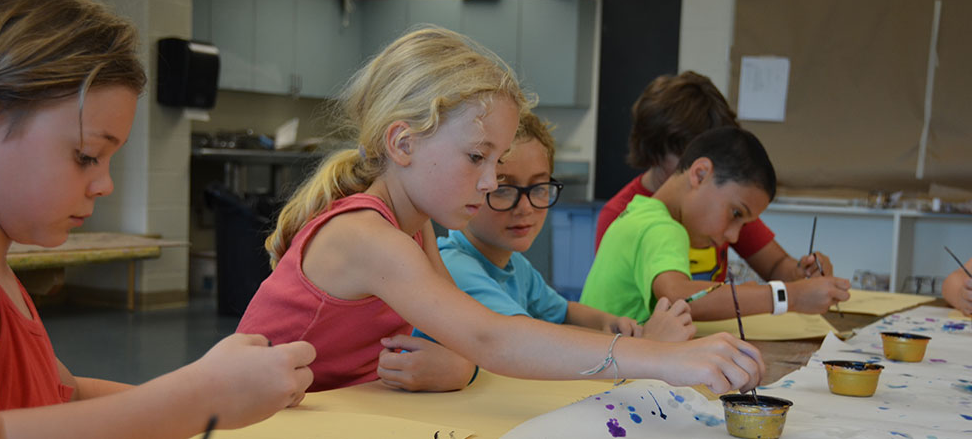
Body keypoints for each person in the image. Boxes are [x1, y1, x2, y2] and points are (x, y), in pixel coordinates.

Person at [237, 27, 764, 397]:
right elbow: (493, 338)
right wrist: (665, 358)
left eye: (496, 160)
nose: (490, 181)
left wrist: (462, 367)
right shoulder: (366, 236)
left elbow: (467, 340)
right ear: (403, 143)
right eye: (476, 157)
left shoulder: (412, 230)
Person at [0, 0, 315, 437]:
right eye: (86, 155)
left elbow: (65, 395)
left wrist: (222, 392)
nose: (105, 184)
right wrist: (199, 400)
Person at [381, 112, 695, 392]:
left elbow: (564, 312)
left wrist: (610, 322)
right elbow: (523, 347)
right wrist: (649, 349)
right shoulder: (456, 266)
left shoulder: (515, 264)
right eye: (504, 189)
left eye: (539, 188)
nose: (526, 207)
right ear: (477, 186)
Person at [581, 127, 851, 322]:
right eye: (735, 213)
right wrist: (788, 297)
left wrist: (799, 278)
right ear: (700, 174)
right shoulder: (660, 227)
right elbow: (679, 298)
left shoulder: (640, 211)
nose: (734, 237)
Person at [596, 71, 833, 284]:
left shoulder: (726, 208)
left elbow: (775, 266)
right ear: (655, 150)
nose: (732, 233)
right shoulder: (622, 215)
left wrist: (803, 272)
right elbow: (679, 297)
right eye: (690, 153)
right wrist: (777, 299)